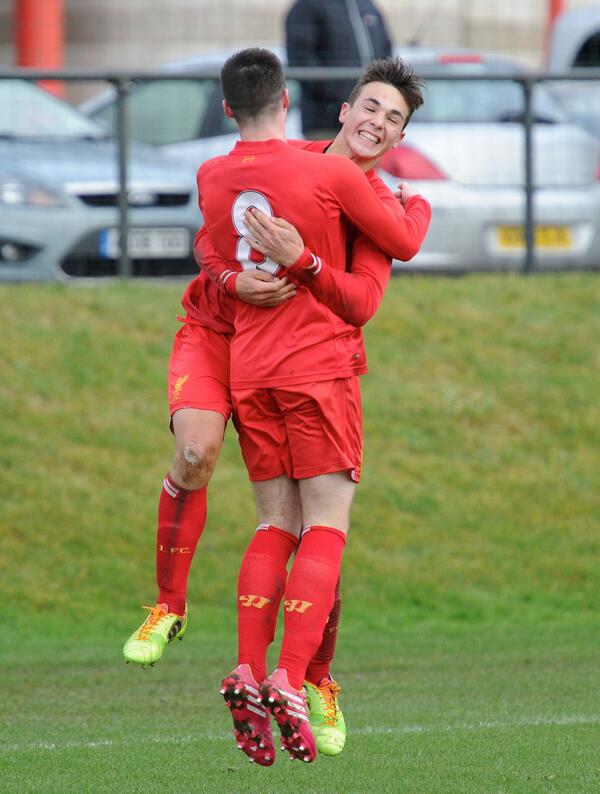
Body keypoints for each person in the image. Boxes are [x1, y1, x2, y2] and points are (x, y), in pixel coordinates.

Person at [122, 52, 428, 760]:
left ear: (401, 137)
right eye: (372, 107)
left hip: (260, 369)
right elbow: (364, 289)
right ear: (342, 109)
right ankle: (289, 675)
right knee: (322, 525)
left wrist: (301, 259)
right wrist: (261, 271)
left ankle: (270, 675)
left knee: (281, 526)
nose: (380, 122)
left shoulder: (357, 192)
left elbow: (376, 280)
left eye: (396, 118)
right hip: (301, 369)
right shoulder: (322, 176)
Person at [286, 0, 392, 138]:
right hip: (326, 124)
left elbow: (386, 53)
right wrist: (347, 99)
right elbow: (302, 61)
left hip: (369, 123)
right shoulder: (308, 5)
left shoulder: (367, 5)